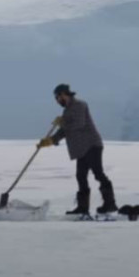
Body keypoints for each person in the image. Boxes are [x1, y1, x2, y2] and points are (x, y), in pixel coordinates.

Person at [39, 84, 118, 215]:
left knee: (98, 174)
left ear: (64, 94)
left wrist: (63, 122)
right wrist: (51, 140)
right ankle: (83, 207)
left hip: (91, 145)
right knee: (80, 176)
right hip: (81, 149)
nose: (57, 101)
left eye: (58, 98)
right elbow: (65, 130)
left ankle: (110, 204)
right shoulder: (67, 111)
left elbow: (78, 124)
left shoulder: (80, 105)